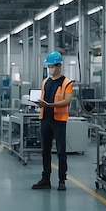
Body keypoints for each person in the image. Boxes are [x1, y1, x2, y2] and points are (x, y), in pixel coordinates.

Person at [32, 51, 74, 191]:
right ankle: (46, 179)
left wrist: (49, 105)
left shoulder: (67, 83)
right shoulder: (45, 81)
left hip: (59, 121)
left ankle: (62, 180)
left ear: (58, 66)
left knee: (61, 152)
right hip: (45, 119)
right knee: (45, 151)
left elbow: (67, 101)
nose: (49, 68)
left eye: (51, 66)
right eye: (48, 66)